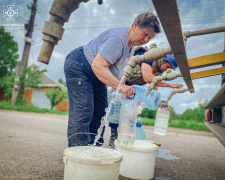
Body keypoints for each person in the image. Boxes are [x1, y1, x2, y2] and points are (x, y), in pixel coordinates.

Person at [64, 11, 161, 147]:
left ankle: (93, 150)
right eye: (145, 34)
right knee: (84, 109)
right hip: (81, 67)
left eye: (150, 38)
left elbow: (116, 73)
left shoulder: (132, 45)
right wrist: (121, 87)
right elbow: (98, 65)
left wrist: (126, 90)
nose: (146, 40)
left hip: (97, 75)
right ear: (135, 25)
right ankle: (77, 153)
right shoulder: (117, 39)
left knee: (101, 112)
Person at [108, 45, 183, 147]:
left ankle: (125, 137)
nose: (166, 70)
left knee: (130, 113)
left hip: (131, 88)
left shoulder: (157, 70)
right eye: (168, 67)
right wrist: (170, 85)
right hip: (119, 82)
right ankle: (113, 137)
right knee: (116, 110)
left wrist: (160, 103)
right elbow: (148, 78)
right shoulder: (146, 56)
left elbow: (153, 85)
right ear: (162, 60)